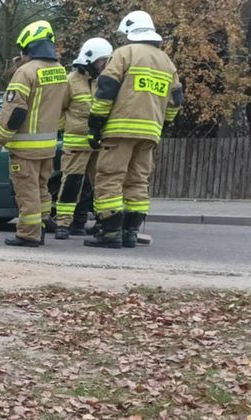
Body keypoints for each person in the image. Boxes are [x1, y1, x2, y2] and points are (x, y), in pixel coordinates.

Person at [85, 10, 183, 249]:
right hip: (150, 133)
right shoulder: (167, 63)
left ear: (130, 32)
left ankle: (110, 233)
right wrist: (162, 124)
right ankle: (130, 232)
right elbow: (176, 101)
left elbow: (106, 91)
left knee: (110, 177)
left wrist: (95, 125)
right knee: (137, 181)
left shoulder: (124, 54)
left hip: (119, 130)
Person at [0, 20, 69, 247]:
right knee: (42, 190)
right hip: (47, 146)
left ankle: (28, 234)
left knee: (27, 192)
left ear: (29, 48)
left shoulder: (26, 72)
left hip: (25, 149)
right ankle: (41, 226)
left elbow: (14, 113)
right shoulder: (60, 71)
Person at [54, 37, 113, 239]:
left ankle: (102, 222)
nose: (105, 65)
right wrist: (68, 129)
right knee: (71, 183)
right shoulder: (70, 81)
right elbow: (59, 110)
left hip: (98, 142)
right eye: (102, 61)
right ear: (92, 59)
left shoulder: (104, 80)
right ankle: (63, 224)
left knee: (101, 184)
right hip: (76, 143)